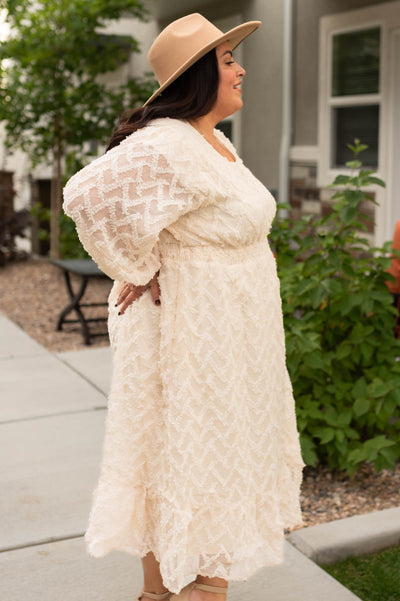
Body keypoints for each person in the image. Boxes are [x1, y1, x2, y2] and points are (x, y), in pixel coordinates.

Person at [63, 12, 305, 601]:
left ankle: (180, 590)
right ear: (199, 75)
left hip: (233, 331)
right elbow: (88, 196)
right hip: (194, 330)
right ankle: (186, 589)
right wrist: (138, 268)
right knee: (183, 448)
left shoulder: (210, 138)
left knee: (197, 450)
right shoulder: (169, 142)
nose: (241, 68)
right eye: (227, 61)